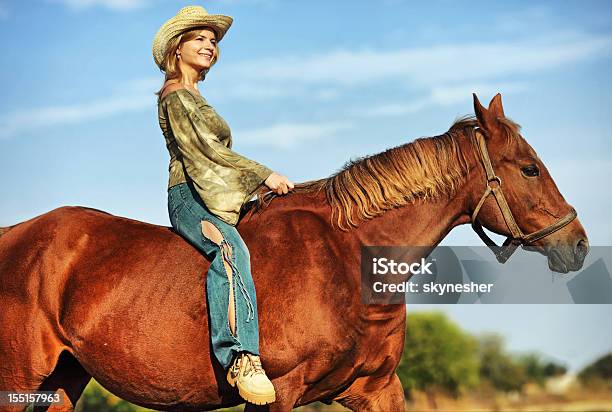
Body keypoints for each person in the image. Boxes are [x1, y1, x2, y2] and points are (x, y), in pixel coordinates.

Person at [152, 5, 294, 406]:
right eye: (199, 38)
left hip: (210, 190)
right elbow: (203, 153)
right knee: (229, 249)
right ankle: (240, 357)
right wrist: (262, 174)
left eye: (212, 41)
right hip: (189, 198)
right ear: (177, 49)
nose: (209, 45)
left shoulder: (197, 96)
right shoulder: (176, 96)